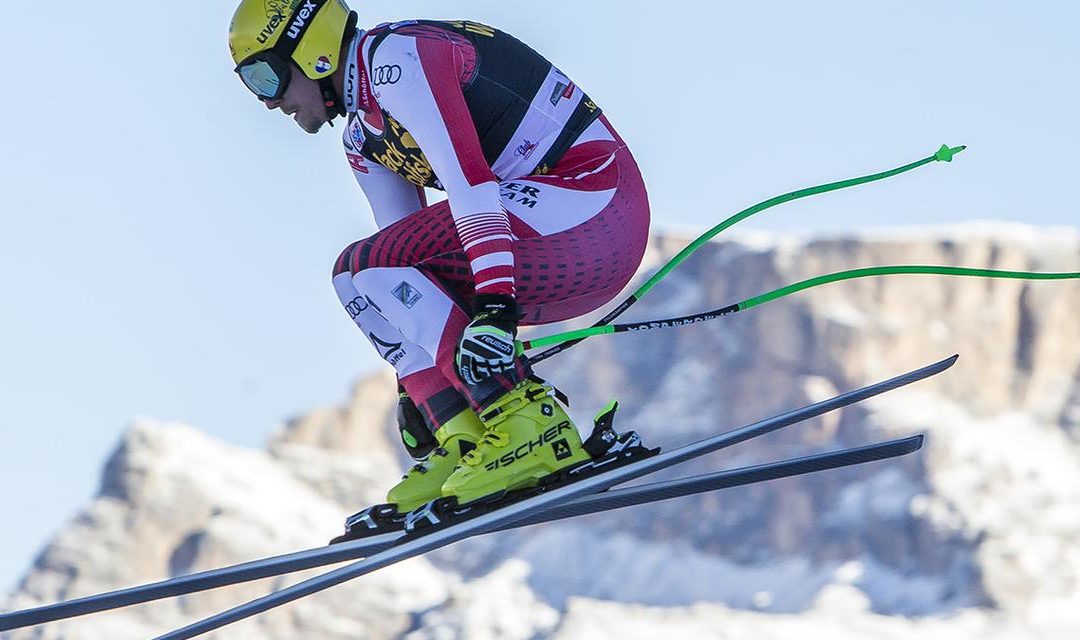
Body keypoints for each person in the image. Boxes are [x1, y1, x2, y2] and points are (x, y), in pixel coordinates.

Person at [228, 0, 650, 512]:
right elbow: (404, 274)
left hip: (596, 211)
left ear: (312, 50)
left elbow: (469, 184)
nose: (267, 102)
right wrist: (423, 391)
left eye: (265, 76)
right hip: (548, 237)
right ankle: (466, 435)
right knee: (351, 276)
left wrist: (496, 306)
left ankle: (528, 421)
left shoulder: (399, 60)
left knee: (370, 264)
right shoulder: (362, 136)